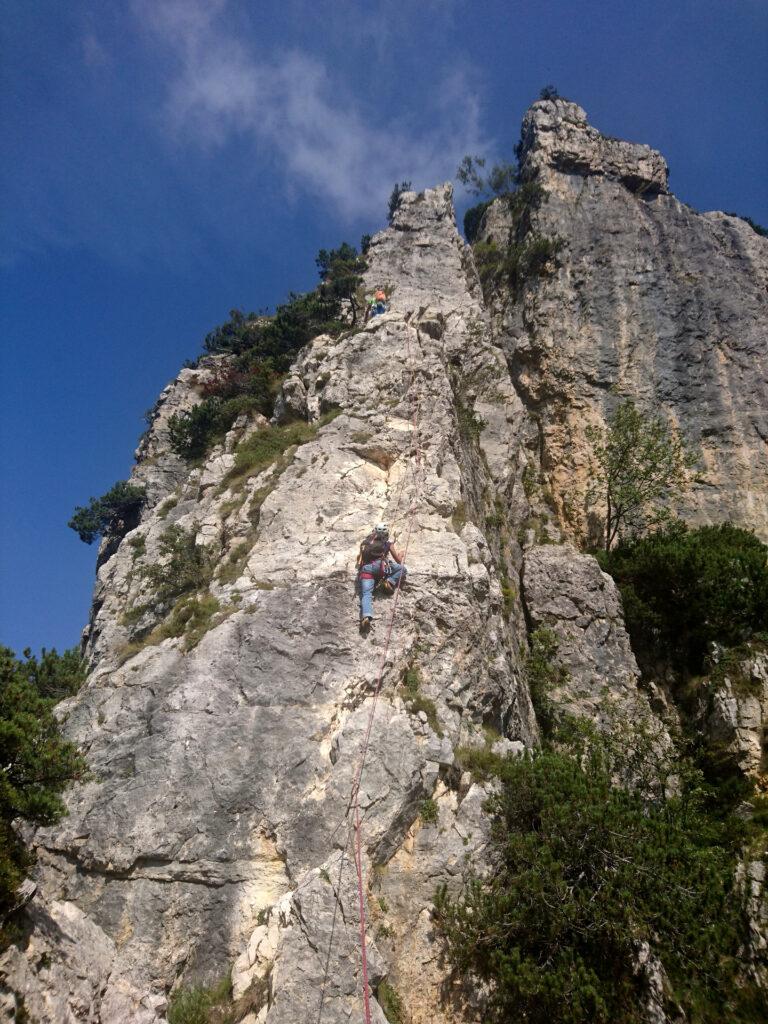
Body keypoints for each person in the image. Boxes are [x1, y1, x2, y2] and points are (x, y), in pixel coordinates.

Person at [356, 522, 406, 627]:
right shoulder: (388, 543)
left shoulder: (365, 543)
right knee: (402, 569)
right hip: (380, 568)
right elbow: (398, 561)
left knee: (366, 594)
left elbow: (359, 561)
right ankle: (389, 581)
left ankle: (366, 616)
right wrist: (401, 555)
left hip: (366, 570)